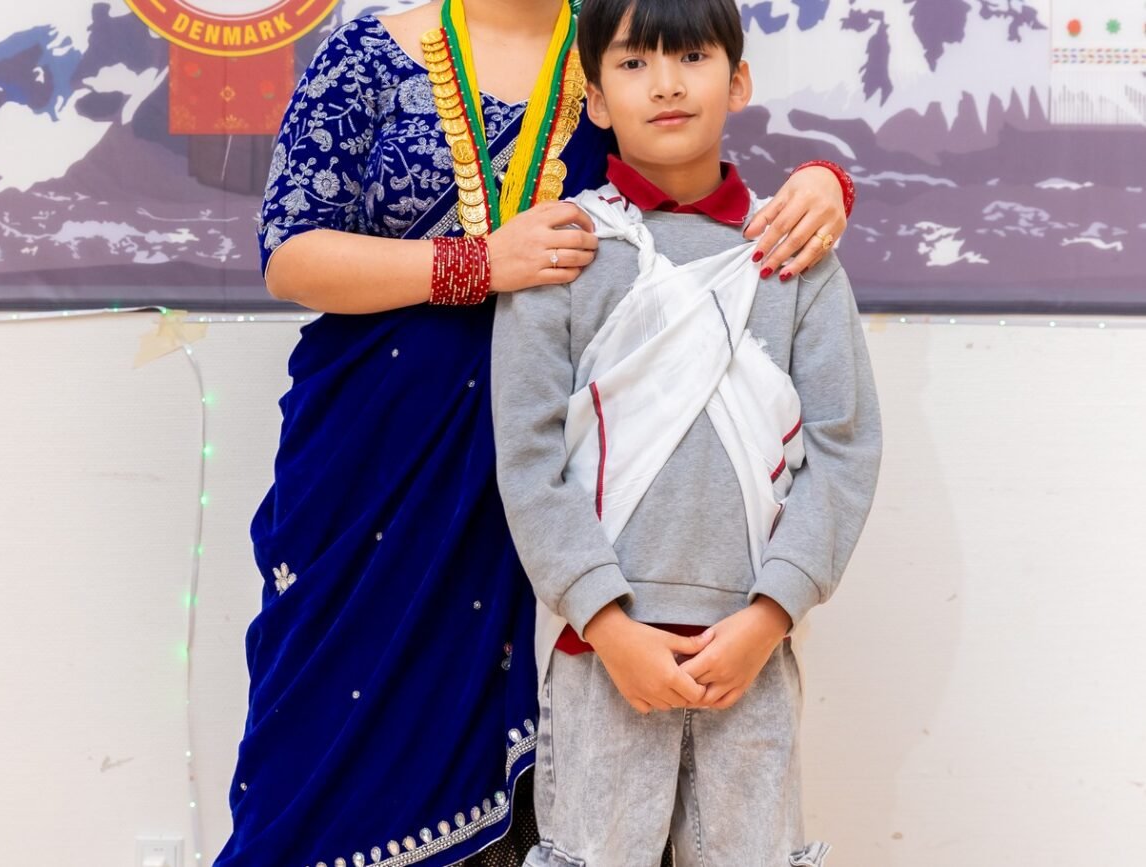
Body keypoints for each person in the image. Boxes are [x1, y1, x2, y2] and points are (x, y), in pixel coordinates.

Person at [218, 0, 858, 864]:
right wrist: (478, 264)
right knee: (326, 736)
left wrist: (823, 182)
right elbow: (290, 255)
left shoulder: (607, 46)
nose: (658, 79)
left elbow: (682, 181)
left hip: (562, 488)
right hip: (378, 462)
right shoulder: (366, 52)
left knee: (551, 764)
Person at [490, 0, 882, 865]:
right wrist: (607, 623)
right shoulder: (563, 251)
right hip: (602, 649)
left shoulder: (792, 253)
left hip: (752, 644)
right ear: (595, 99)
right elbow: (527, 455)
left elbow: (844, 448)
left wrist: (769, 615)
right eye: (634, 64)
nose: (666, 84)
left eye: (692, 58)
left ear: (738, 81)